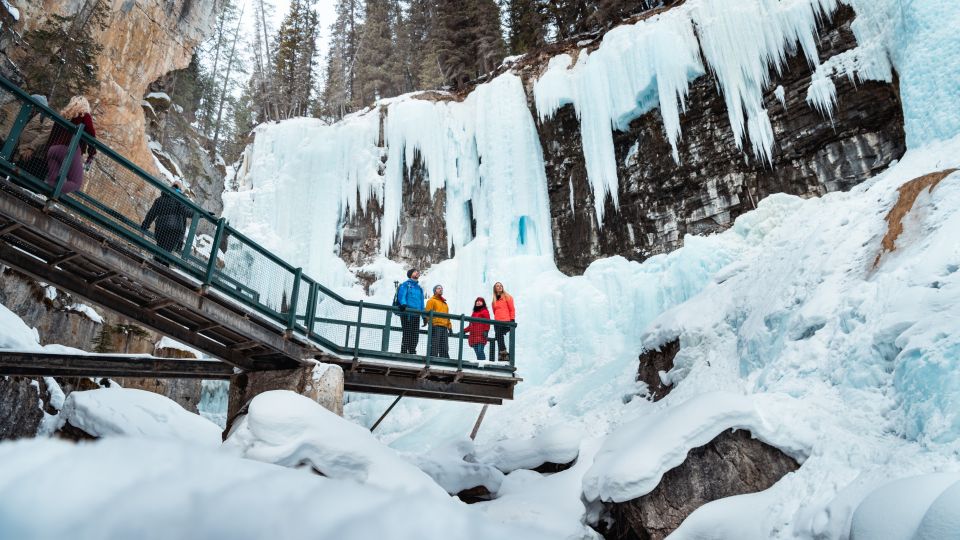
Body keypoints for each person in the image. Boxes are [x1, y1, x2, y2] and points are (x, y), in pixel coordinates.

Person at [45, 96, 96, 195]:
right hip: (69, 149)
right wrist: (91, 154)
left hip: (53, 150)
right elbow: (91, 135)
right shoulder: (84, 115)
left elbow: (53, 134)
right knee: (76, 183)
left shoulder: (64, 115)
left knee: (52, 181)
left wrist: (47, 151)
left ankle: (46, 195)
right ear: (86, 106)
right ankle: (53, 197)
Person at [141, 182, 192, 261]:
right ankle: (160, 267)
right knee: (166, 254)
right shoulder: (181, 199)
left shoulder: (160, 199)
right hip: (175, 230)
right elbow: (187, 213)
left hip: (161, 229)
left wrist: (145, 226)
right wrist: (200, 214)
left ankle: (155, 264)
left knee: (160, 249)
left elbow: (151, 214)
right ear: (180, 189)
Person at [14, 95, 53, 179]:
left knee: (25, 183)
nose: (30, 106)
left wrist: (32, 148)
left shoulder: (45, 116)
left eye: (32, 103)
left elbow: (47, 132)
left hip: (34, 157)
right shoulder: (28, 115)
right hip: (22, 154)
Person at [396, 268, 425, 354]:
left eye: (418, 271)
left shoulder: (419, 288)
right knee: (407, 333)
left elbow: (421, 303)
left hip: (416, 314)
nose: (417, 272)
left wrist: (424, 316)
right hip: (407, 313)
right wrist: (403, 304)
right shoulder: (406, 284)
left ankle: (412, 350)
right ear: (410, 274)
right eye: (415, 271)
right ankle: (404, 351)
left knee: (415, 335)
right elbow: (402, 295)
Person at [424, 284, 451, 358]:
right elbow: (428, 312)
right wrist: (428, 322)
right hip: (435, 325)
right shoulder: (431, 301)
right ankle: (432, 359)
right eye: (438, 288)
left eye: (441, 288)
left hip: (444, 326)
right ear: (434, 290)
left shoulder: (445, 303)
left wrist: (450, 327)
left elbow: (447, 316)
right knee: (434, 344)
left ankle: (445, 360)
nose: (440, 289)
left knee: (444, 345)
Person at [491, 282, 515, 362]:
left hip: (506, 321)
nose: (500, 287)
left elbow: (512, 309)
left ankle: (503, 353)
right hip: (497, 322)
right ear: (495, 288)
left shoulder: (507, 297)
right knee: (498, 335)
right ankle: (502, 355)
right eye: (498, 286)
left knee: (499, 334)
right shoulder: (494, 301)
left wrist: (512, 319)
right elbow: (495, 311)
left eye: (501, 285)